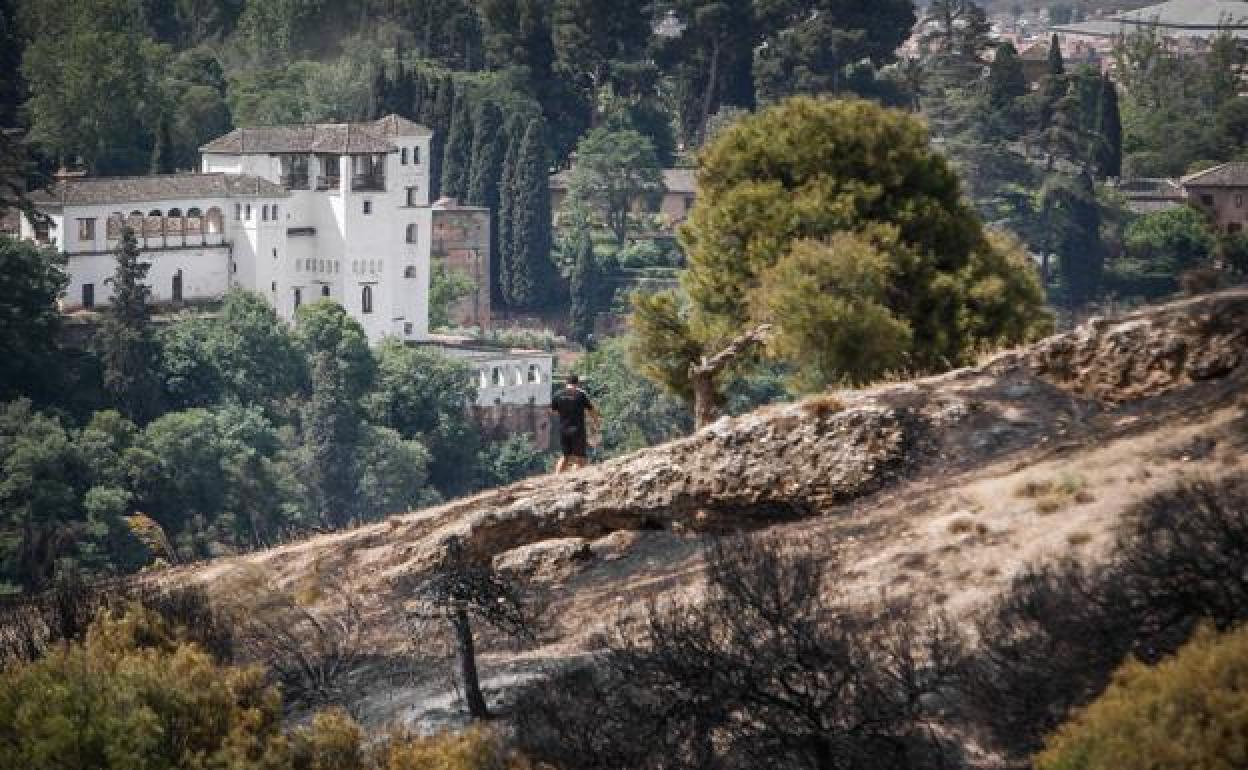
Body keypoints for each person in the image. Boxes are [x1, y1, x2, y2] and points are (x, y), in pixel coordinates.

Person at [550, 374, 599, 473]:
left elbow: (552, 411)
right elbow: (591, 410)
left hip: (563, 429)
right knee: (581, 458)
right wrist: (596, 422)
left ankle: (556, 477)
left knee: (565, 456)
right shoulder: (581, 394)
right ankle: (573, 477)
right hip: (577, 430)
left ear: (566, 383)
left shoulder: (558, 395)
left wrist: (564, 413)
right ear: (577, 383)